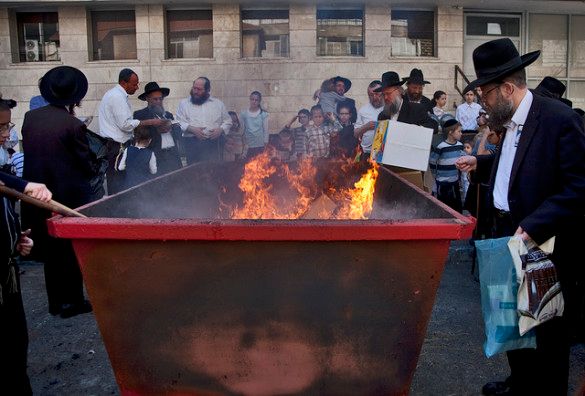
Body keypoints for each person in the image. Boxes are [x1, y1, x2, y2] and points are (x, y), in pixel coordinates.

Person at [455, 38, 585, 396]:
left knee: (544, 332)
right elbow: (512, 167)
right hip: (503, 237)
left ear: (507, 89)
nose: (482, 100)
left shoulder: (560, 120)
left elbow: (578, 186)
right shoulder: (510, 119)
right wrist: (480, 164)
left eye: (485, 93)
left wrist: (534, 225)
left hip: (541, 246)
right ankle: (520, 383)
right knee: (511, 321)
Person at [21, 66, 99, 318]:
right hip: (67, 197)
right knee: (69, 252)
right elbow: (84, 164)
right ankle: (72, 302)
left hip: (36, 196)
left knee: (52, 254)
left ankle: (56, 302)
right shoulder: (72, 125)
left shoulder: (30, 118)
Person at [0, 163, 52, 395]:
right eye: (1, 128)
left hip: (7, 276)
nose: (4, 136)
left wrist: (12, 237)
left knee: (15, 348)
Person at [98, 69, 166, 194]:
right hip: (116, 147)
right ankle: (116, 210)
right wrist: (150, 122)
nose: (137, 87)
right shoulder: (117, 97)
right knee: (117, 183)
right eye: (134, 84)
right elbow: (125, 125)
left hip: (117, 145)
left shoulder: (116, 95)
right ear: (124, 82)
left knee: (122, 181)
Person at [176, 77, 232, 164]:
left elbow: (228, 121)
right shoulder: (184, 104)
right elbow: (178, 122)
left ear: (208, 90)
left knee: (213, 172)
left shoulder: (218, 104)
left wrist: (220, 130)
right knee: (194, 173)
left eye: (199, 89)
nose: (195, 91)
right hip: (191, 144)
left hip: (213, 144)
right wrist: (192, 129)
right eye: (194, 88)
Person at [133, 81, 182, 175]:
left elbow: (179, 135)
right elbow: (139, 138)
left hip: (172, 156)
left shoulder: (168, 115)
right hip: (155, 157)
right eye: (155, 99)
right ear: (147, 99)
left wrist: (171, 128)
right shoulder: (140, 115)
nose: (158, 102)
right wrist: (156, 130)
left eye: (160, 99)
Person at [429, 119, 464, 212]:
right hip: (443, 183)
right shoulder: (441, 147)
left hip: (455, 182)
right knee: (444, 207)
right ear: (450, 132)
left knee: (456, 206)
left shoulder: (460, 145)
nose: (461, 133)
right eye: (459, 131)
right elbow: (432, 161)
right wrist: (435, 176)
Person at [117, 125, 157, 189]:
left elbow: (120, 167)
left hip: (129, 185)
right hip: (144, 186)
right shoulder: (150, 153)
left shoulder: (128, 149)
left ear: (136, 138)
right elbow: (153, 171)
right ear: (149, 140)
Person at [354, 80, 384, 158]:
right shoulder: (362, 110)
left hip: (385, 153)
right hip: (367, 153)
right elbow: (355, 134)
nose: (374, 97)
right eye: (371, 95)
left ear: (383, 93)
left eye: (377, 94)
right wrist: (365, 127)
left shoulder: (389, 108)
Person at [240, 91, 269, 159]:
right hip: (248, 145)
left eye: (256, 100)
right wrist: (243, 145)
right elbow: (242, 130)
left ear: (259, 101)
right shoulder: (243, 114)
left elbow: (266, 130)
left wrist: (265, 143)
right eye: (252, 99)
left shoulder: (263, 114)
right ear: (250, 100)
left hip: (260, 144)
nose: (254, 101)